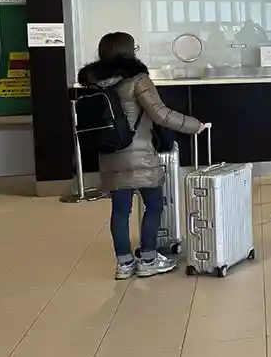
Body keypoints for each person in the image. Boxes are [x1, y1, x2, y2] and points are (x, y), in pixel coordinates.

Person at [78, 32, 207, 280]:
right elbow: (161, 114)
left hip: (109, 155)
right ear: (129, 51)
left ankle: (124, 264)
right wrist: (194, 125)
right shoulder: (138, 80)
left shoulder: (94, 83)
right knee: (154, 205)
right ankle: (148, 258)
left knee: (120, 211)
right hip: (140, 157)